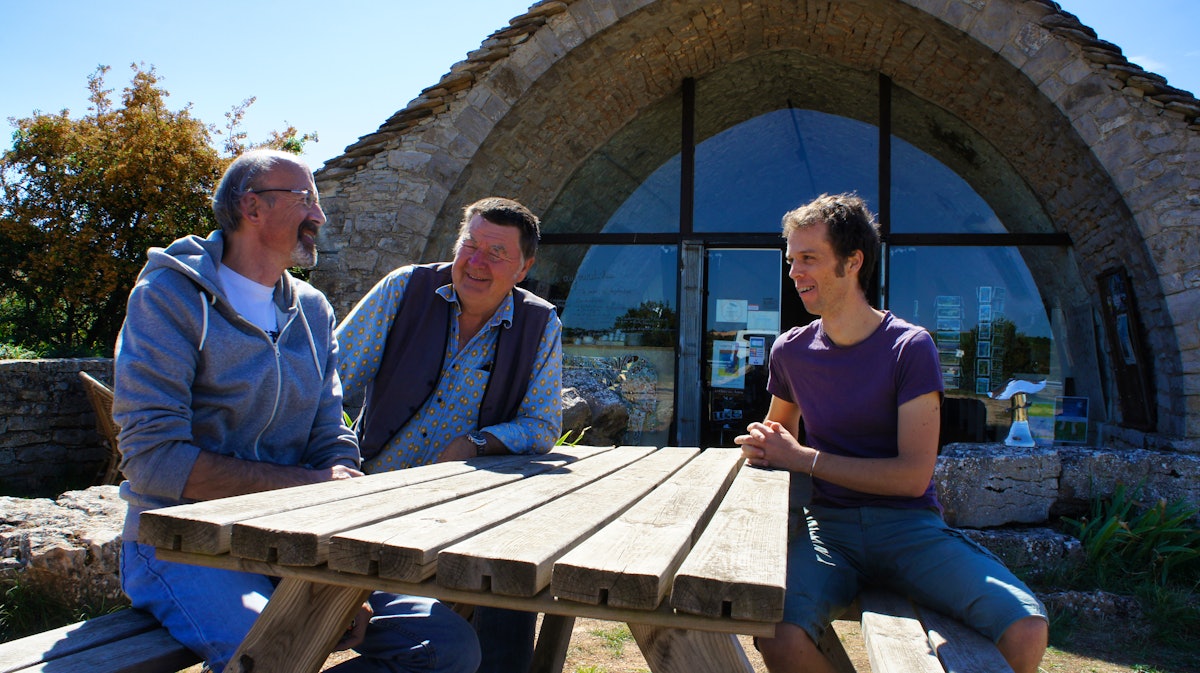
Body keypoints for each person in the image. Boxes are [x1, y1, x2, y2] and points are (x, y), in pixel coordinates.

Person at [113, 149, 480, 673]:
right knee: (280, 655)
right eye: (305, 198)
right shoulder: (167, 297)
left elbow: (333, 438)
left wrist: (342, 563)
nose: (320, 216)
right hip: (178, 541)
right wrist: (306, 486)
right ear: (252, 207)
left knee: (446, 644)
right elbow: (154, 463)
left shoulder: (312, 309)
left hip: (295, 543)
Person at [734, 193, 1048, 673]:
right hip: (828, 532)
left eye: (809, 259)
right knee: (776, 633)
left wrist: (803, 458)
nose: (794, 272)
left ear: (853, 262)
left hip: (910, 530)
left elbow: (911, 477)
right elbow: (778, 440)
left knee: (1026, 627)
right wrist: (763, 445)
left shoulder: (909, 347)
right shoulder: (790, 351)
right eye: (792, 259)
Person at [337, 196, 563, 673]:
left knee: (511, 563)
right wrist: (338, 464)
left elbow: (542, 424)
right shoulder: (405, 290)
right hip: (370, 506)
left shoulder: (539, 322)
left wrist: (473, 445)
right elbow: (325, 387)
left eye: (497, 253)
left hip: (460, 516)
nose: (477, 262)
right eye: (470, 244)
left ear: (524, 268)